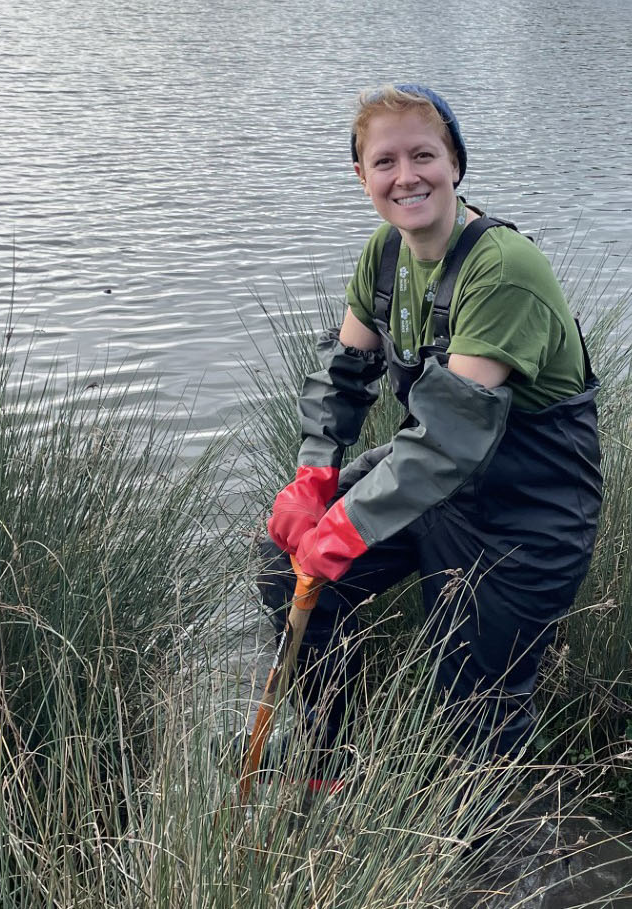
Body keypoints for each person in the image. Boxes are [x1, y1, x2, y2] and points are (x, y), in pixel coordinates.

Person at [258, 83, 602, 776]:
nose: (406, 175)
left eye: (424, 154)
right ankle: (332, 758)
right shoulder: (385, 257)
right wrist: (314, 473)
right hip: (433, 492)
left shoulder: (501, 269)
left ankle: (489, 863)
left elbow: (447, 434)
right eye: (385, 161)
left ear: (455, 163)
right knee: (283, 576)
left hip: (528, 515)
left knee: (474, 705)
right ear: (362, 176)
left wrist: (347, 524)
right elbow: (343, 375)